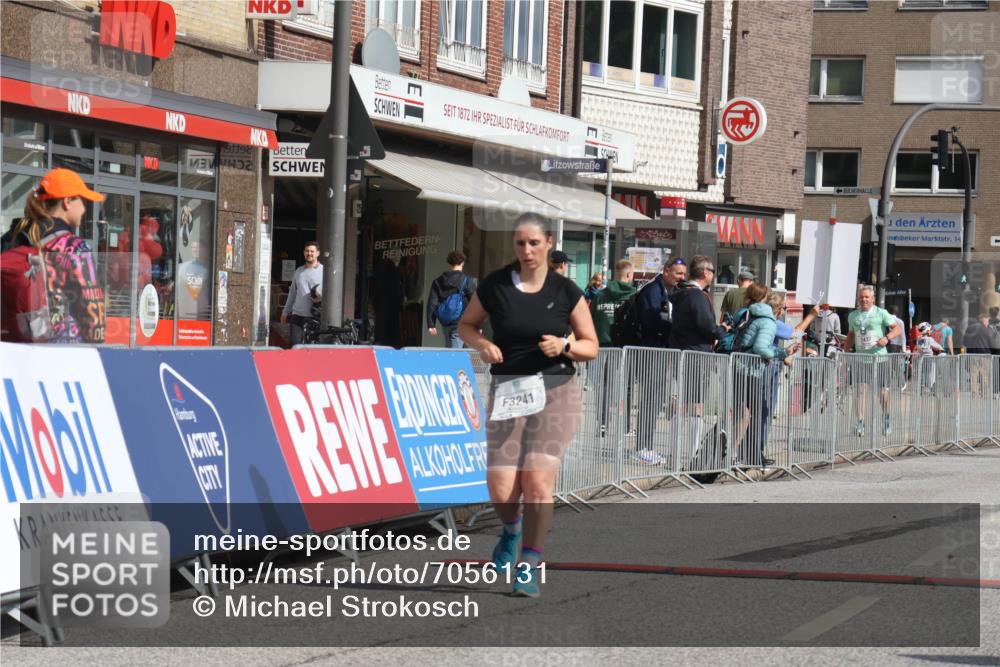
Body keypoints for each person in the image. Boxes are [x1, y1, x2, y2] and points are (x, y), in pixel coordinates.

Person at [458, 213, 598, 598]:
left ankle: (530, 563)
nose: (527, 250)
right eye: (520, 243)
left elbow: (591, 345)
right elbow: (466, 325)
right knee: (502, 487)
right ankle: (512, 530)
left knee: (537, 482)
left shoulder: (566, 290)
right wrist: (483, 344)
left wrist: (565, 345)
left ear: (548, 243)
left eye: (534, 243)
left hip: (556, 390)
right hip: (509, 390)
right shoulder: (496, 286)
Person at [0, 168, 105, 344]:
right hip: (60, 352)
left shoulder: (10, 239)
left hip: (13, 348)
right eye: (82, 200)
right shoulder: (75, 248)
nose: (84, 208)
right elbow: (94, 319)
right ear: (67, 202)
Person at [669, 256, 731, 477]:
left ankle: (676, 452)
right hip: (696, 355)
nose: (713, 275)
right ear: (705, 273)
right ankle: (692, 451)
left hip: (682, 352)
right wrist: (722, 329)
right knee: (695, 405)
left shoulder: (680, 293)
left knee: (684, 403)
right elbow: (706, 326)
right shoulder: (695, 296)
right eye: (713, 271)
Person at [633, 256, 687, 465]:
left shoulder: (670, 291)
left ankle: (647, 445)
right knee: (649, 401)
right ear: (666, 271)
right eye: (678, 273)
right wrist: (674, 329)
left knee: (655, 402)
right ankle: (642, 447)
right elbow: (651, 321)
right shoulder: (652, 291)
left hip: (661, 352)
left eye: (683, 274)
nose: (681, 278)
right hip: (650, 353)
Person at [733, 285, 795, 467]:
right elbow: (761, 348)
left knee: (744, 413)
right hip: (751, 370)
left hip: (738, 366)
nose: (783, 311)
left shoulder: (746, 313)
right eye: (783, 308)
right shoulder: (767, 321)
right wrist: (781, 354)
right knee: (756, 413)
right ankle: (740, 455)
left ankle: (744, 454)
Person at [845, 285, 903, 437]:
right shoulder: (853, 316)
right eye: (861, 297)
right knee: (860, 392)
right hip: (860, 359)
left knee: (883, 393)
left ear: (872, 299)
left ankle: (886, 418)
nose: (864, 300)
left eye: (866, 297)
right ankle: (860, 423)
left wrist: (887, 338)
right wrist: (844, 353)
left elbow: (897, 329)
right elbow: (851, 335)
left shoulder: (881, 313)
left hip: (879, 358)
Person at [426, 250, 476, 349]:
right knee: (454, 354)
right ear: (462, 263)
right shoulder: (466, 280)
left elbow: (432, 303)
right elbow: (476, 303)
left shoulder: (438, 281)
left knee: (450, 350)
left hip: (445, 321)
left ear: (449, 263)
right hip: (461, 323)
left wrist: (431, 324)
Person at [280, 241, 323, 346]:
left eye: (312, 251)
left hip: (315, 317)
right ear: (304, 253)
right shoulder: (299, 271)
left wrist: (320, 298)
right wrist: (285, 312)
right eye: (307, 251)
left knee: (312, 349)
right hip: (297, 315)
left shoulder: (324, 271)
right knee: (295, 346)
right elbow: (292, 293)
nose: (309, 253)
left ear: (317, 253)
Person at [590, 260, 635, 346]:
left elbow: (589, 320)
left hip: (600, 347)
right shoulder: (633, 296)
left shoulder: (599, 296)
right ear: (629, 274)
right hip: (625, 348)